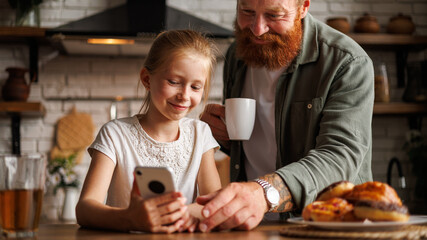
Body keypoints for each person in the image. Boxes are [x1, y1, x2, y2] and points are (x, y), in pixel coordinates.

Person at [198, 0, 374, 232]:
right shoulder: (238, 52)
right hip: (253, 226)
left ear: (303, 7)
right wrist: (219, 133)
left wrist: (264, 192)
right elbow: (257, 142)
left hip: (327, 226)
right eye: (247, 12)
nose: (257, 28)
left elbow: (338, 158)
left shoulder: (347, 62)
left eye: (273, 15)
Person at [76, 29, 221, 233]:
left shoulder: (201, 133)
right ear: (147, 79)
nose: (184, 96)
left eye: (196, 87)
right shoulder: (115, 134)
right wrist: (129, 219)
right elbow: (85, 209)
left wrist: (174, 214)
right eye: (173, 82)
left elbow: (214, 205)